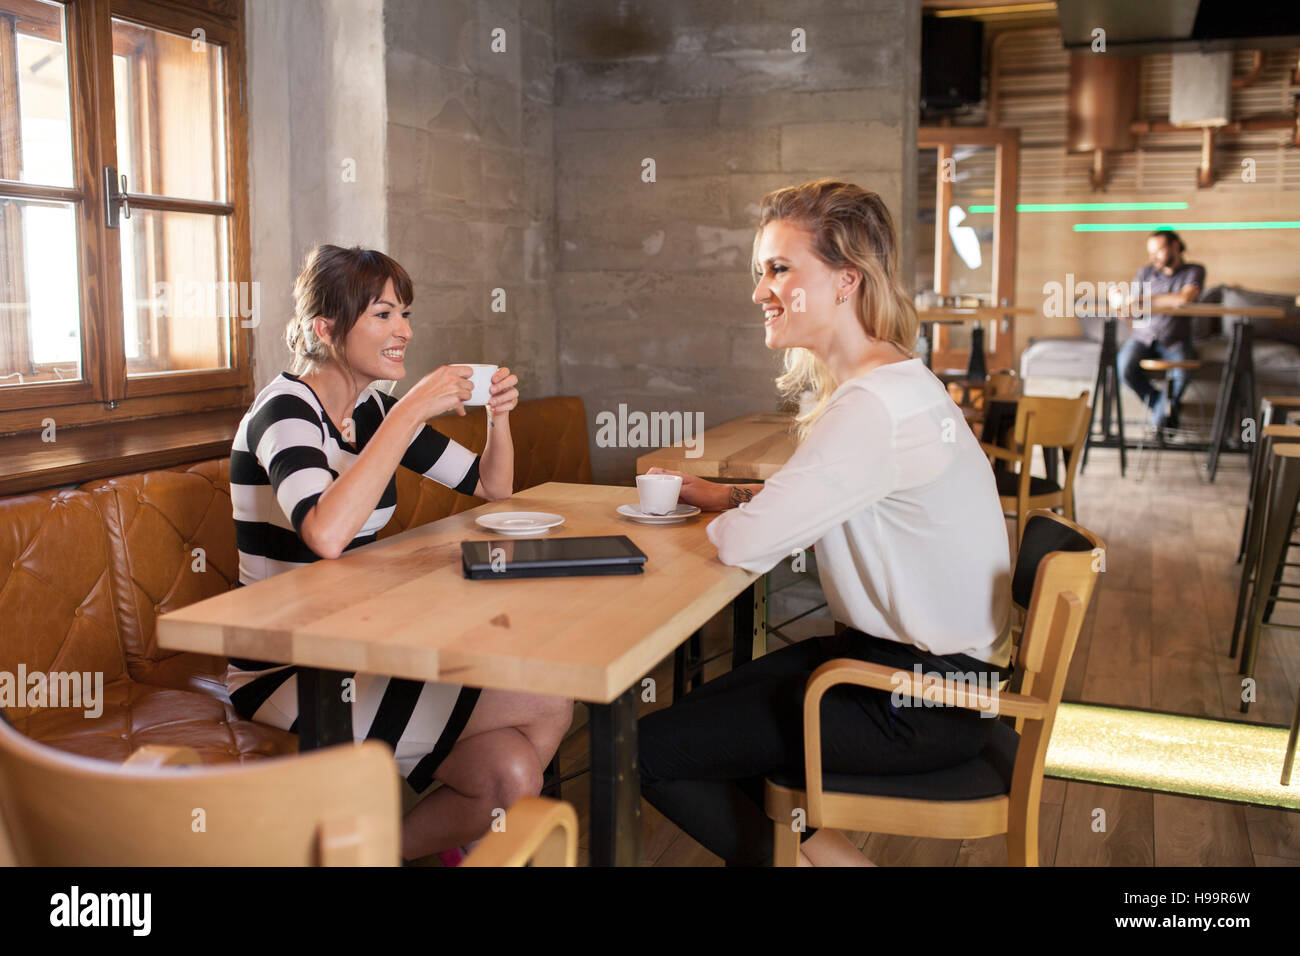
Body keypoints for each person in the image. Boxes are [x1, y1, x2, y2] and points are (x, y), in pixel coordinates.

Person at [639, 180, 1013, 867]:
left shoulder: (873, 406)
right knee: (708, 729)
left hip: (915, 701)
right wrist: (724, 498)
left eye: (780, 268)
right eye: (760, 271)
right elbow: (819, 503)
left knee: (655, 751)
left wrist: (734, 516)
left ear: (846, 281)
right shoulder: (896, 382)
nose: (760, 292)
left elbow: (747, 547)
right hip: (918, 676)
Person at [227, 244, 573, 864]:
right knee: (540, 714)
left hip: (358, 644)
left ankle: (378, 856)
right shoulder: (285, 413)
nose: (405, 330)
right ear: (325, 329)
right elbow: (325, 533)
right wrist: (412, 408)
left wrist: (499, 417)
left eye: (404, 314)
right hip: (287, 666)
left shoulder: (373, 410)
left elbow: (491, 488)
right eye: (383, 314)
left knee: (515, 769)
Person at [1116, 230, 1205, 429]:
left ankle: (1160, 416)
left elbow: (1184, 298)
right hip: (1142, 338)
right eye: (1151, 252)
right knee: (1124, 368)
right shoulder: (1145, 273)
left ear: (1175, 246)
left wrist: (1142, 300)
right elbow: (1131, 305)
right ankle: (1160, 406)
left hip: (1175, 341)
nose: (1153, 257)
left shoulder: (1194, 271)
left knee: (1182, 372)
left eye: (1158, 251)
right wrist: (1126, 310)